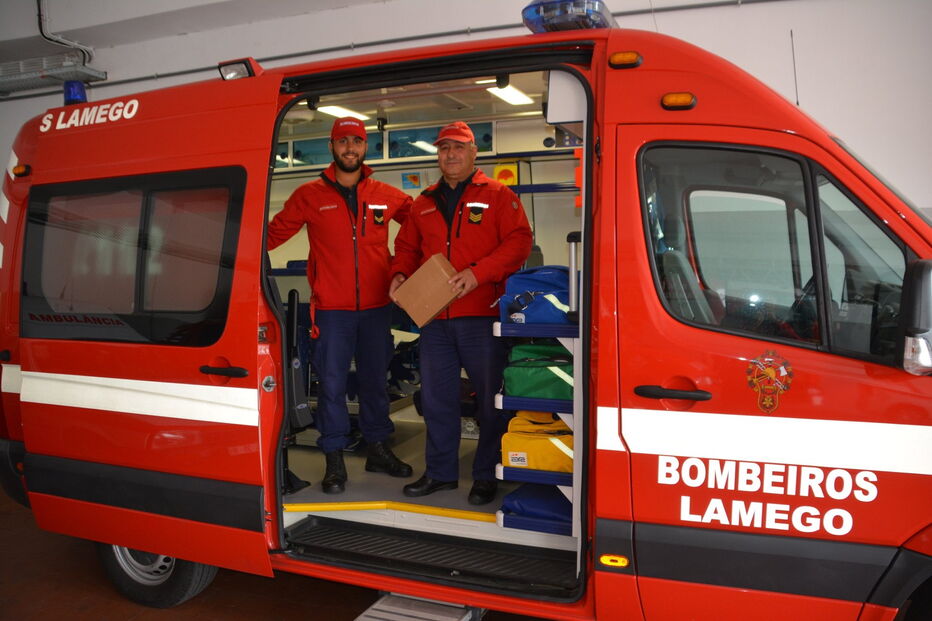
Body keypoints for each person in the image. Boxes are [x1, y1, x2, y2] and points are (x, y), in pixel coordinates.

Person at [267, 117, 414, 494]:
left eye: (357, 141)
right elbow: (271, 235)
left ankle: (378, 448)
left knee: (374, 382)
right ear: (332, 146)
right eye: (343, 141)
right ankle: (334, 459)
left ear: (365, 147)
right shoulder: (309, 195)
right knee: (331, 385)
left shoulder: (386, 194)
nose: (350, 148)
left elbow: (421, 229)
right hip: (332, 310)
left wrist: (403, 267)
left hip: (377, 308)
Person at [389, 121, 532, 505]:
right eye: (444, 148)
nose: (450, 154)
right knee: (437, 399)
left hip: (482, 316)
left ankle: (486, 474)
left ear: (473, 152)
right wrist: (399, 274)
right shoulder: (423, 203)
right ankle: (440, 474)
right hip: (436, 319)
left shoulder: (499, 195)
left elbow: (519, 242)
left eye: (457, 147)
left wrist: (478, 273)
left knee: (490, 399)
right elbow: (406, 248)